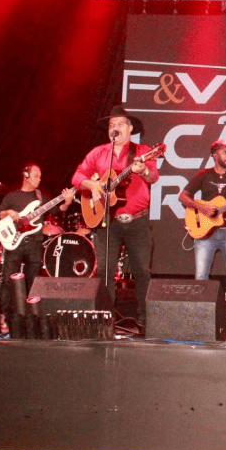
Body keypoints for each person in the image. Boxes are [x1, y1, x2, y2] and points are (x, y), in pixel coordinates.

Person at [72, 104, 159, 332]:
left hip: (137, 220)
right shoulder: (98, 153)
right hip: (106, 220)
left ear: (130, 129)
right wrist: (92, 185)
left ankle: (146, 320)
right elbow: (77, 176)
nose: (115, 127)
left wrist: (143, 171)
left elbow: (153, 177)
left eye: (120, 123)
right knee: (104, 271)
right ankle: (105, 320)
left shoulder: (143, 151)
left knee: (142, 271)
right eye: (112, 124)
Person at [179, 140, 226, 326]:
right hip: (205, 232)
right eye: (224, 152)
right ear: (214, 155)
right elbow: (183, 196)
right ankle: (200, 319)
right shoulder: (203, 175)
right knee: (201, 276)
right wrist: (201, 208)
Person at [0, 163, 75, 320]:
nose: (39, 179)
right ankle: (4, 317)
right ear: (26, 175)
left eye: (40, 176)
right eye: (36, 176)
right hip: (14, 243)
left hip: (34, 243)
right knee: (8, 281)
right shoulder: (12, 196)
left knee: (32, 281)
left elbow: (58, 210)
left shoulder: (42, 198)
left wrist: (67, 202)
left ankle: (30, 318)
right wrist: (9, 212)